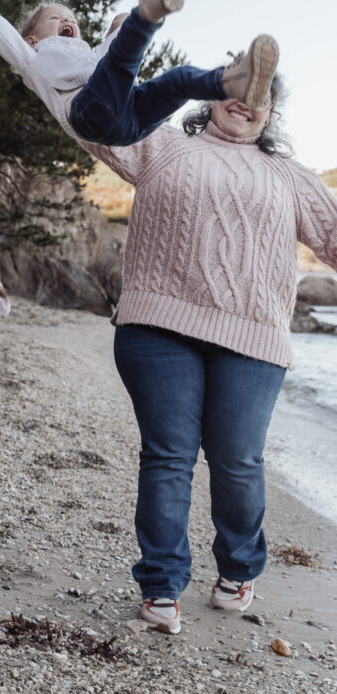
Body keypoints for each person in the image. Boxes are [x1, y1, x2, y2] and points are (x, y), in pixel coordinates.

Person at [54, 75, 337, 634]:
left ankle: (237, 568)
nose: (247, 101)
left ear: (272, 111)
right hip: (159, 326)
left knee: (237, 460)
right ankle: (161, 586)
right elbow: (87, 119)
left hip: (253, 339)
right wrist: (104, 61)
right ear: (210, 92)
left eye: (262, 95)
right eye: (237, 85)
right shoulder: (160, 145)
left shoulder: (291, 177)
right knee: (169, 456)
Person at [0, 0, 280, 149]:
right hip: (88, 113)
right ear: (32, 38)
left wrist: (120, 23)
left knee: (177, 79)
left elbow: (113, 54)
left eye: (72, 18)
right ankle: (150, 11)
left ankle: (229, 82)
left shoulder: (89, 55)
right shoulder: (32, 57)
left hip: (131, 121)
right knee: (122, 60)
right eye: (56, 17)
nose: (68, 20)